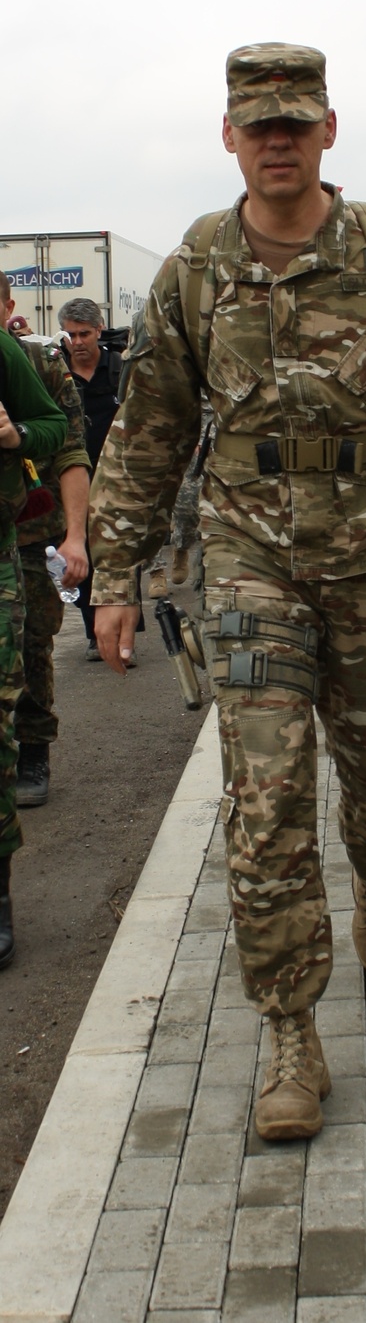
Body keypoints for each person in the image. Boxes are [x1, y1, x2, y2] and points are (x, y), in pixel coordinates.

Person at [88, 42, 366, 1140]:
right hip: (250, 561)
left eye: (296, 122)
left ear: (329, 130)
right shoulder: (196, 266)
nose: (278, 141)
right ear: (229, 137)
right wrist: (118, 571)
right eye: (258, 125)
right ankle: (288, 1029)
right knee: (267, 793)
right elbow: (148, 431)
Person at [0, 274, 90, 808]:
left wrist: (76, 539)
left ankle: (34, 746)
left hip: (34, 535)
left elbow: (72, 450)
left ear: (9, 305)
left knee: (33, 642)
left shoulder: (39, 365)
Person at [0, 326, 67, 968]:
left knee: (27, 653)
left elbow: (59, 434)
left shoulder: (14, 356)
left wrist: (16, 434)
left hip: (20, 538)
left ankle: (34, 749)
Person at [59, 298, 143, 663]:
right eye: (71, 335)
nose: (78, 342)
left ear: (98, 330)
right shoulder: (56, 373)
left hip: (117, 478)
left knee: (121, 550)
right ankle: (94, 628)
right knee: (79, 556)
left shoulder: (120, 368)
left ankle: (125, 633)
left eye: (85, 334)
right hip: (73, 479)